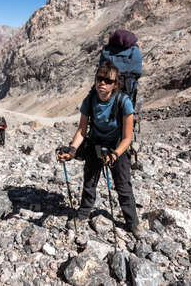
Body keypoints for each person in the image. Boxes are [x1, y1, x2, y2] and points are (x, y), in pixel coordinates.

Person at [57, 60, 144, 240]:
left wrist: (116, 154)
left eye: (108, 81)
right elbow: (82, 129)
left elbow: (127, 137)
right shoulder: (90, 100)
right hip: (95, 144)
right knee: (89, 181)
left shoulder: (123, 102)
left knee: (123, 186)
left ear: (115, 84)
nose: (102, 83)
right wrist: (72, 150)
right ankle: (83, 213)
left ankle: (133, 222)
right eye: (99, 79)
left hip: (117, 147)